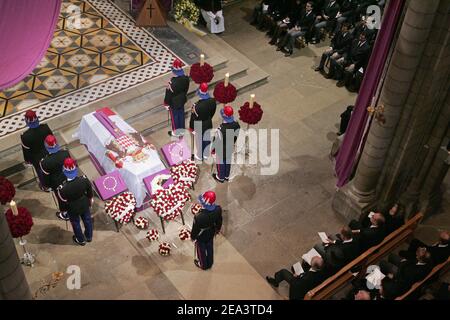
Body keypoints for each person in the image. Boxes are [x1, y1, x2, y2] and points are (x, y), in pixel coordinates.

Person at [57, 157, 94, 246]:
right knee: (88, 220)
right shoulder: (84, 179)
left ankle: (80, 240)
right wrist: (89, 200)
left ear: (64, 171)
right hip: (84, 204)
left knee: (76, 223)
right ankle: (89, 236)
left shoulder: (62, 188)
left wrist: (64, 211)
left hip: (72, 208)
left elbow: (63, 202)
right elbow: (89, 192)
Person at [39, 135, 71, 221]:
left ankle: (65, 214)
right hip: (68, 176)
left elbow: (46, 177)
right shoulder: (65, 153)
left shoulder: (45, 162)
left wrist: (47, 186)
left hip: (56, 182)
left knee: (61, 198)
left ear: (46, 147)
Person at [20, 110, 53, 189]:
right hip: (49, 152)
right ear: (37, 119)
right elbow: (52, 139)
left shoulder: (25, 136)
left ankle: (45, 186)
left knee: (40, 171)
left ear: (27, 122)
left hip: (36, 158)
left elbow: (26, 151)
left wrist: (28, 161)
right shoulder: (45, 127)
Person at [191, 191, 223, 270]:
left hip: (201, 236)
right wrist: (217, 229)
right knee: (210, 247)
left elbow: (195, 230)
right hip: (211, 232)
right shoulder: (218, 209)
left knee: (201, 251)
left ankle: (203, 265)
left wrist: (193, 237)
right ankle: (210, 262)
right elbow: (219, 221)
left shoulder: (198, 217)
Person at [211, 105, 240, 183]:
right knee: (227, 161)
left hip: (221, 149)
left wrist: (213, 150)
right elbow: (235, 136)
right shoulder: (237, 125)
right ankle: (226, 176)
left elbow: (216, 141)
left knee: (220, 163)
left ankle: (220, 177)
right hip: (230, 146)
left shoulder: (221, 129)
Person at [189, 82, 217, 161]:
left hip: (199, 125)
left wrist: (192, 127)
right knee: (207, 139)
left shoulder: (197, 106)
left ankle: (200, 155)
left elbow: (193, 118)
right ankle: (206, 154)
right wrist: (208, 118)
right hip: (208, 122)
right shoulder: (212, 101)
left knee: (199, 141)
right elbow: (212, 112)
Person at [164, 59, 190, 137]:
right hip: (182, 99)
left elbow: (168, 94)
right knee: (181, 115)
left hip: (173, 102)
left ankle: (176, 132)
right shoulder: (186, 78)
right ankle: (182, 130)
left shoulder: (172, 82)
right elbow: (186, 89)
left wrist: (166, 103)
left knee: (174, 117)